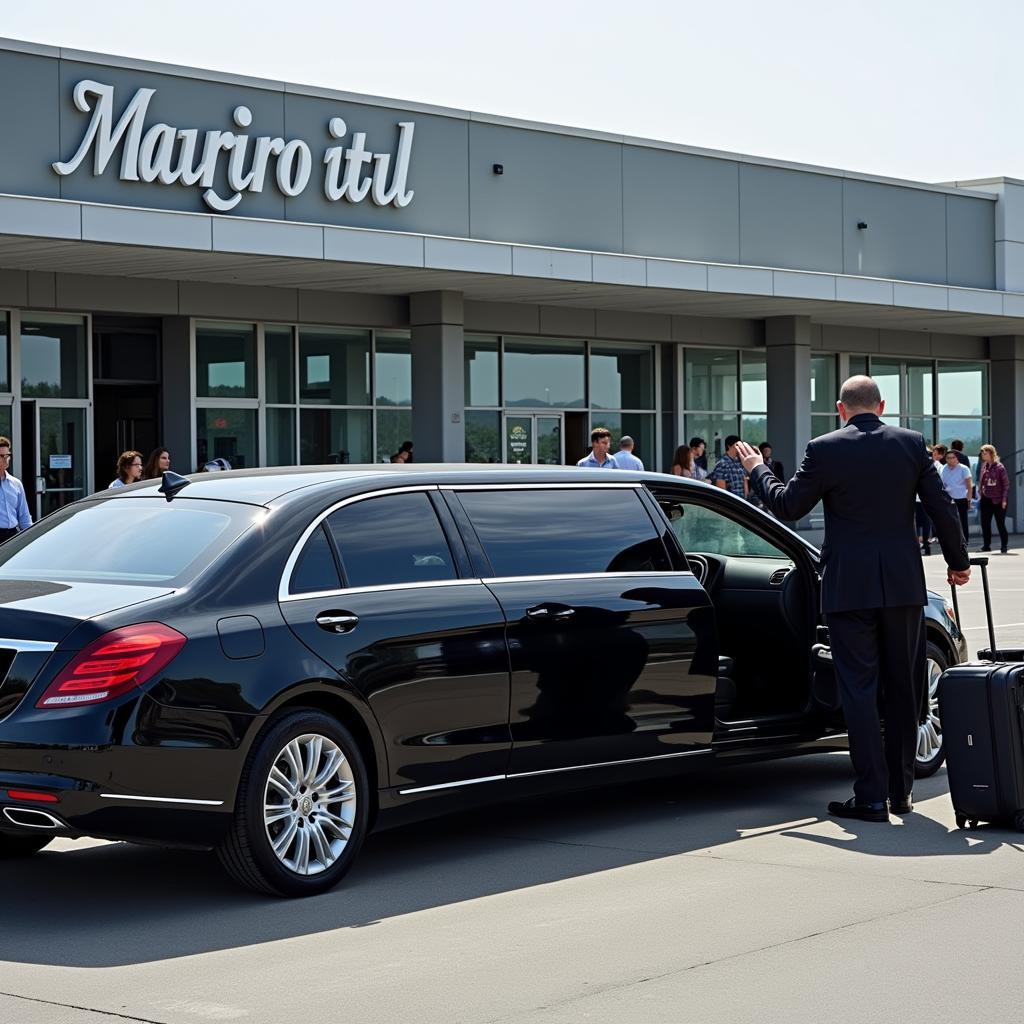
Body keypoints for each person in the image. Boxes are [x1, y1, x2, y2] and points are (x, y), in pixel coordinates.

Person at [735, 375, 969, 824]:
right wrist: (957, 562)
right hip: (902, 586)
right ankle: (903, 794)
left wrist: (756, 471)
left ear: (840, 410)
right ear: (881, 406)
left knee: (859, 691)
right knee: (906, 689)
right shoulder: (911, 443)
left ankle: (871, 797)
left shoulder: (824, 448)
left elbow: (788, 507)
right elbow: (941, 506)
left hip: (848, 589)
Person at [977, 444, 1010, 554]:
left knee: (1000, 523)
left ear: (991, 454)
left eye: (985, 453)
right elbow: (981, 481)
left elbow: (1006, 485)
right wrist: (980, 493)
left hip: (998, 499)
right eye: (982, 453)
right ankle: (987, 545)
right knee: (985, 523)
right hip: (986, 499)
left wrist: (1004, 500)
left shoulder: (999, 467)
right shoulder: (984, 466)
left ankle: (1004, 546)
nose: (983, 455)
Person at [0, 435, 32, 542]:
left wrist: (31, 538)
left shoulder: (16, 483)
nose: (6, 459)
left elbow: (24, 516)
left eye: (7, 455)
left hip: (13, 536)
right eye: (1, 456)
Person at [940, 449, 972, 541]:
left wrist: (969, 500)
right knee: (949, 521)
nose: (951, 460)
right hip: (948, 499)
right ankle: (952, 539)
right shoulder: (943, 468)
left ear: (957, 458)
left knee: (962, 521)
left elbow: (969, 486)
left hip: (961, 498)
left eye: (953, 457)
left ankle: (965, 540)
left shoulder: (964, 468)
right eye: (948, 458)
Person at [710, 435, 748, 500]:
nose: (740, 448)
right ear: (729, 446)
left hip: (742, 502)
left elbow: (744, 482)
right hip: (731, 503)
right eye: (737, 445)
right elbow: (721, 489)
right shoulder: (722, 464)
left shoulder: (739, 463)